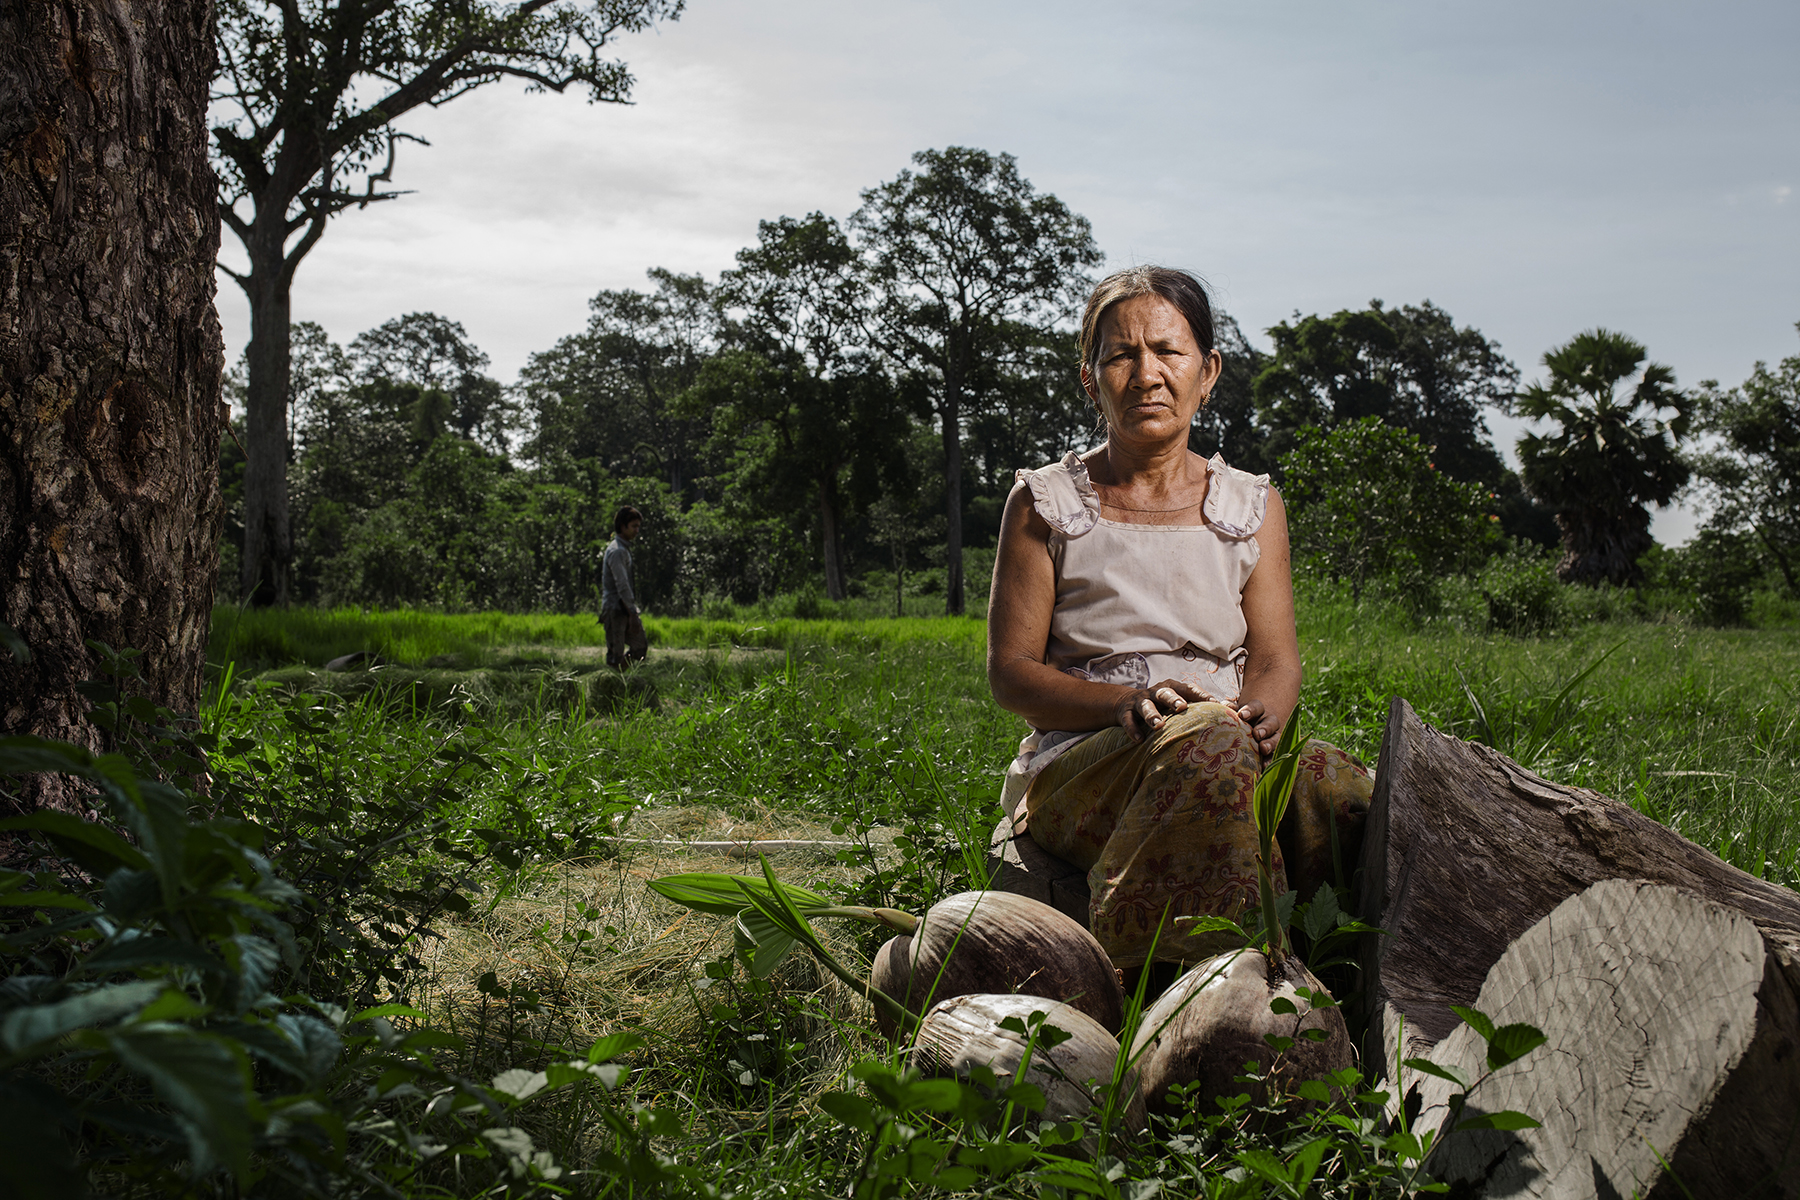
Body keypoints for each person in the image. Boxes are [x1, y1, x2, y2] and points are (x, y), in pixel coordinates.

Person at [987, 266, 1372, 971]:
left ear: (1208, 370)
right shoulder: (1044, 504)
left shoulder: (1251, 505)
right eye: (1120, 355)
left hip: (1226, 744)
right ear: (1089, 377)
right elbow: (1013, 676)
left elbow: (1276, 660)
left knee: (1331, 781)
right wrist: (1124, 705)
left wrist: (1259, 720)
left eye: (1168, 351)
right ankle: (1186, 988)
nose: (1146, 375)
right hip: (1087, 765)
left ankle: (1357, 980)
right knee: (1206, 743)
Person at [601, 506, 648, 669]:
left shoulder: (623, 549)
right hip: (615, 609)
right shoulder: (617, 551)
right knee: (616, 653)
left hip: (624, 608)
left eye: (638, 526)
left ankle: (621, 679)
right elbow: (622, 585)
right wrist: (632, 613)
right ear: (623, 527)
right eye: (634, 526)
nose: (637, 530)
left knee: (640, 647)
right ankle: (613, 685)